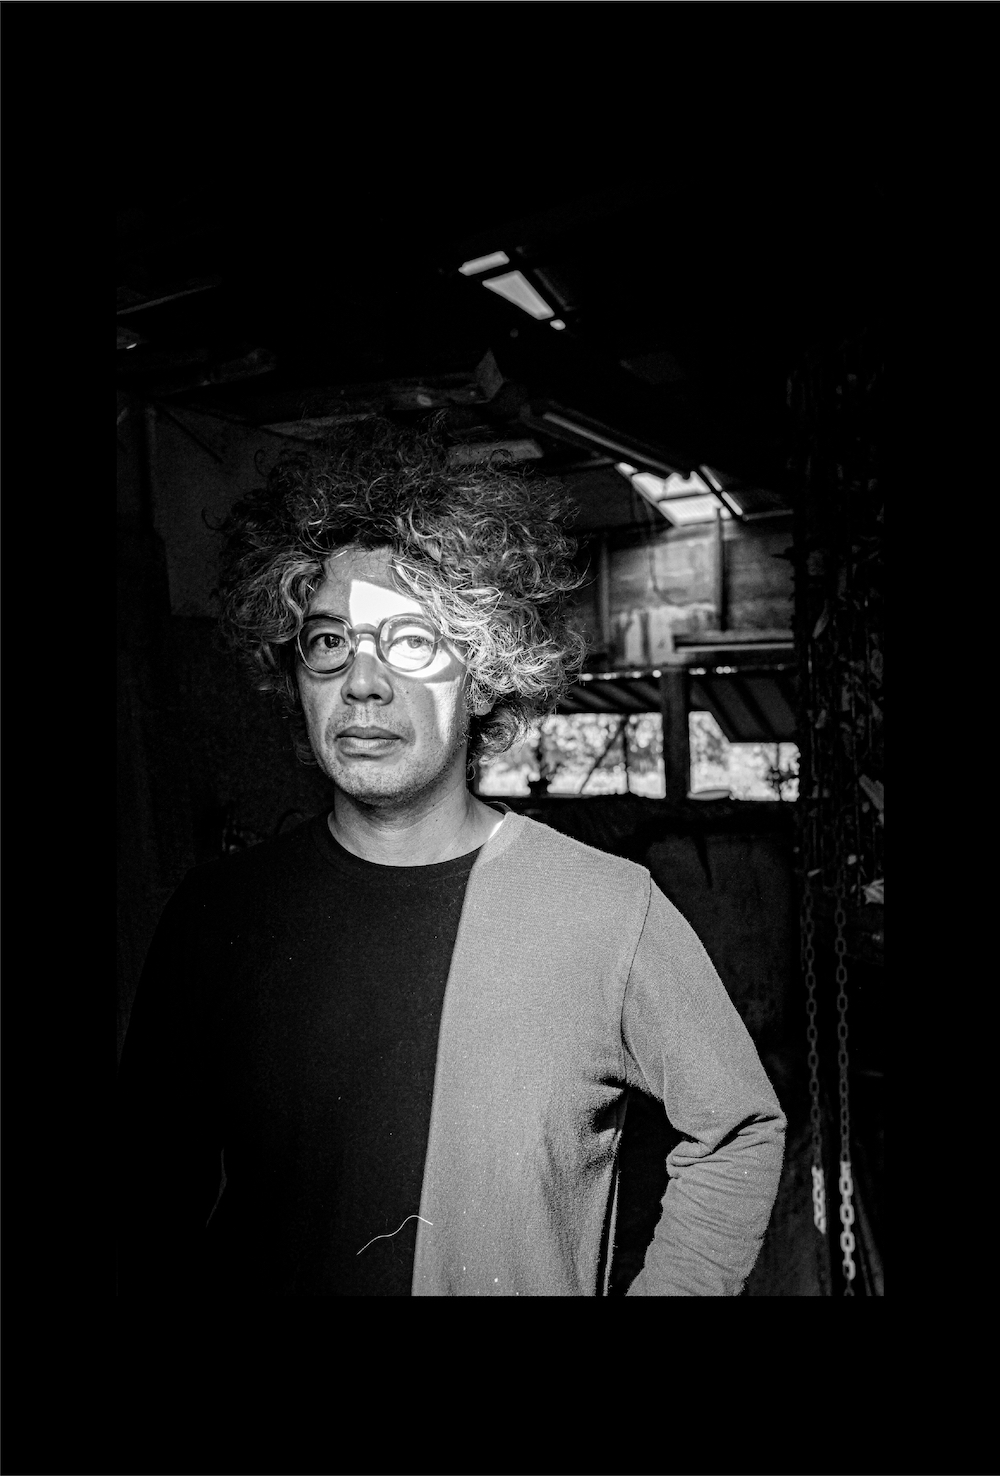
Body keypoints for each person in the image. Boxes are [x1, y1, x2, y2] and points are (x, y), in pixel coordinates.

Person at [117, 417, 786, 1297]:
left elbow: (738, 1130)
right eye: (330, 642)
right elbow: (145, 1196)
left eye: (413, 641)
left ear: (483, 672)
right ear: (295, 673)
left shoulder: (607, 911)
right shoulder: (215, 919)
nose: (363, 682)